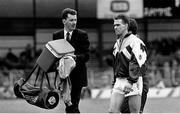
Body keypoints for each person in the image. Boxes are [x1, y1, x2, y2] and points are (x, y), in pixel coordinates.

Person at [53, 8, 90, 113]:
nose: (74, 23)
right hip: (64, 78)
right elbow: (55, 55)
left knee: (72, 104)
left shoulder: (82, 35)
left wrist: (74, 57)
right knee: (70, 106)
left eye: (75, 20)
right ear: (64, 21)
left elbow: (87, 56)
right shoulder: (57, 35)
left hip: (78, 76)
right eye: (71, 20)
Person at [108, 14, 148, 113]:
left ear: (126, 26)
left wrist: (131, 81)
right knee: (112, 111)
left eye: (118, 25)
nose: (115, 27)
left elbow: (138, 62)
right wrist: (114, 82)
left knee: (134, 112)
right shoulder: (116, 44)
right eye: (114, 25)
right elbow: (116, 65)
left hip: (133, 81)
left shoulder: (136, 42)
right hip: (119, 81)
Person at [120, 18, 149, 113]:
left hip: (136, 83)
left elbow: (140, 67)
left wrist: (132, 81)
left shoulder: (136, 44)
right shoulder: (123, 44)